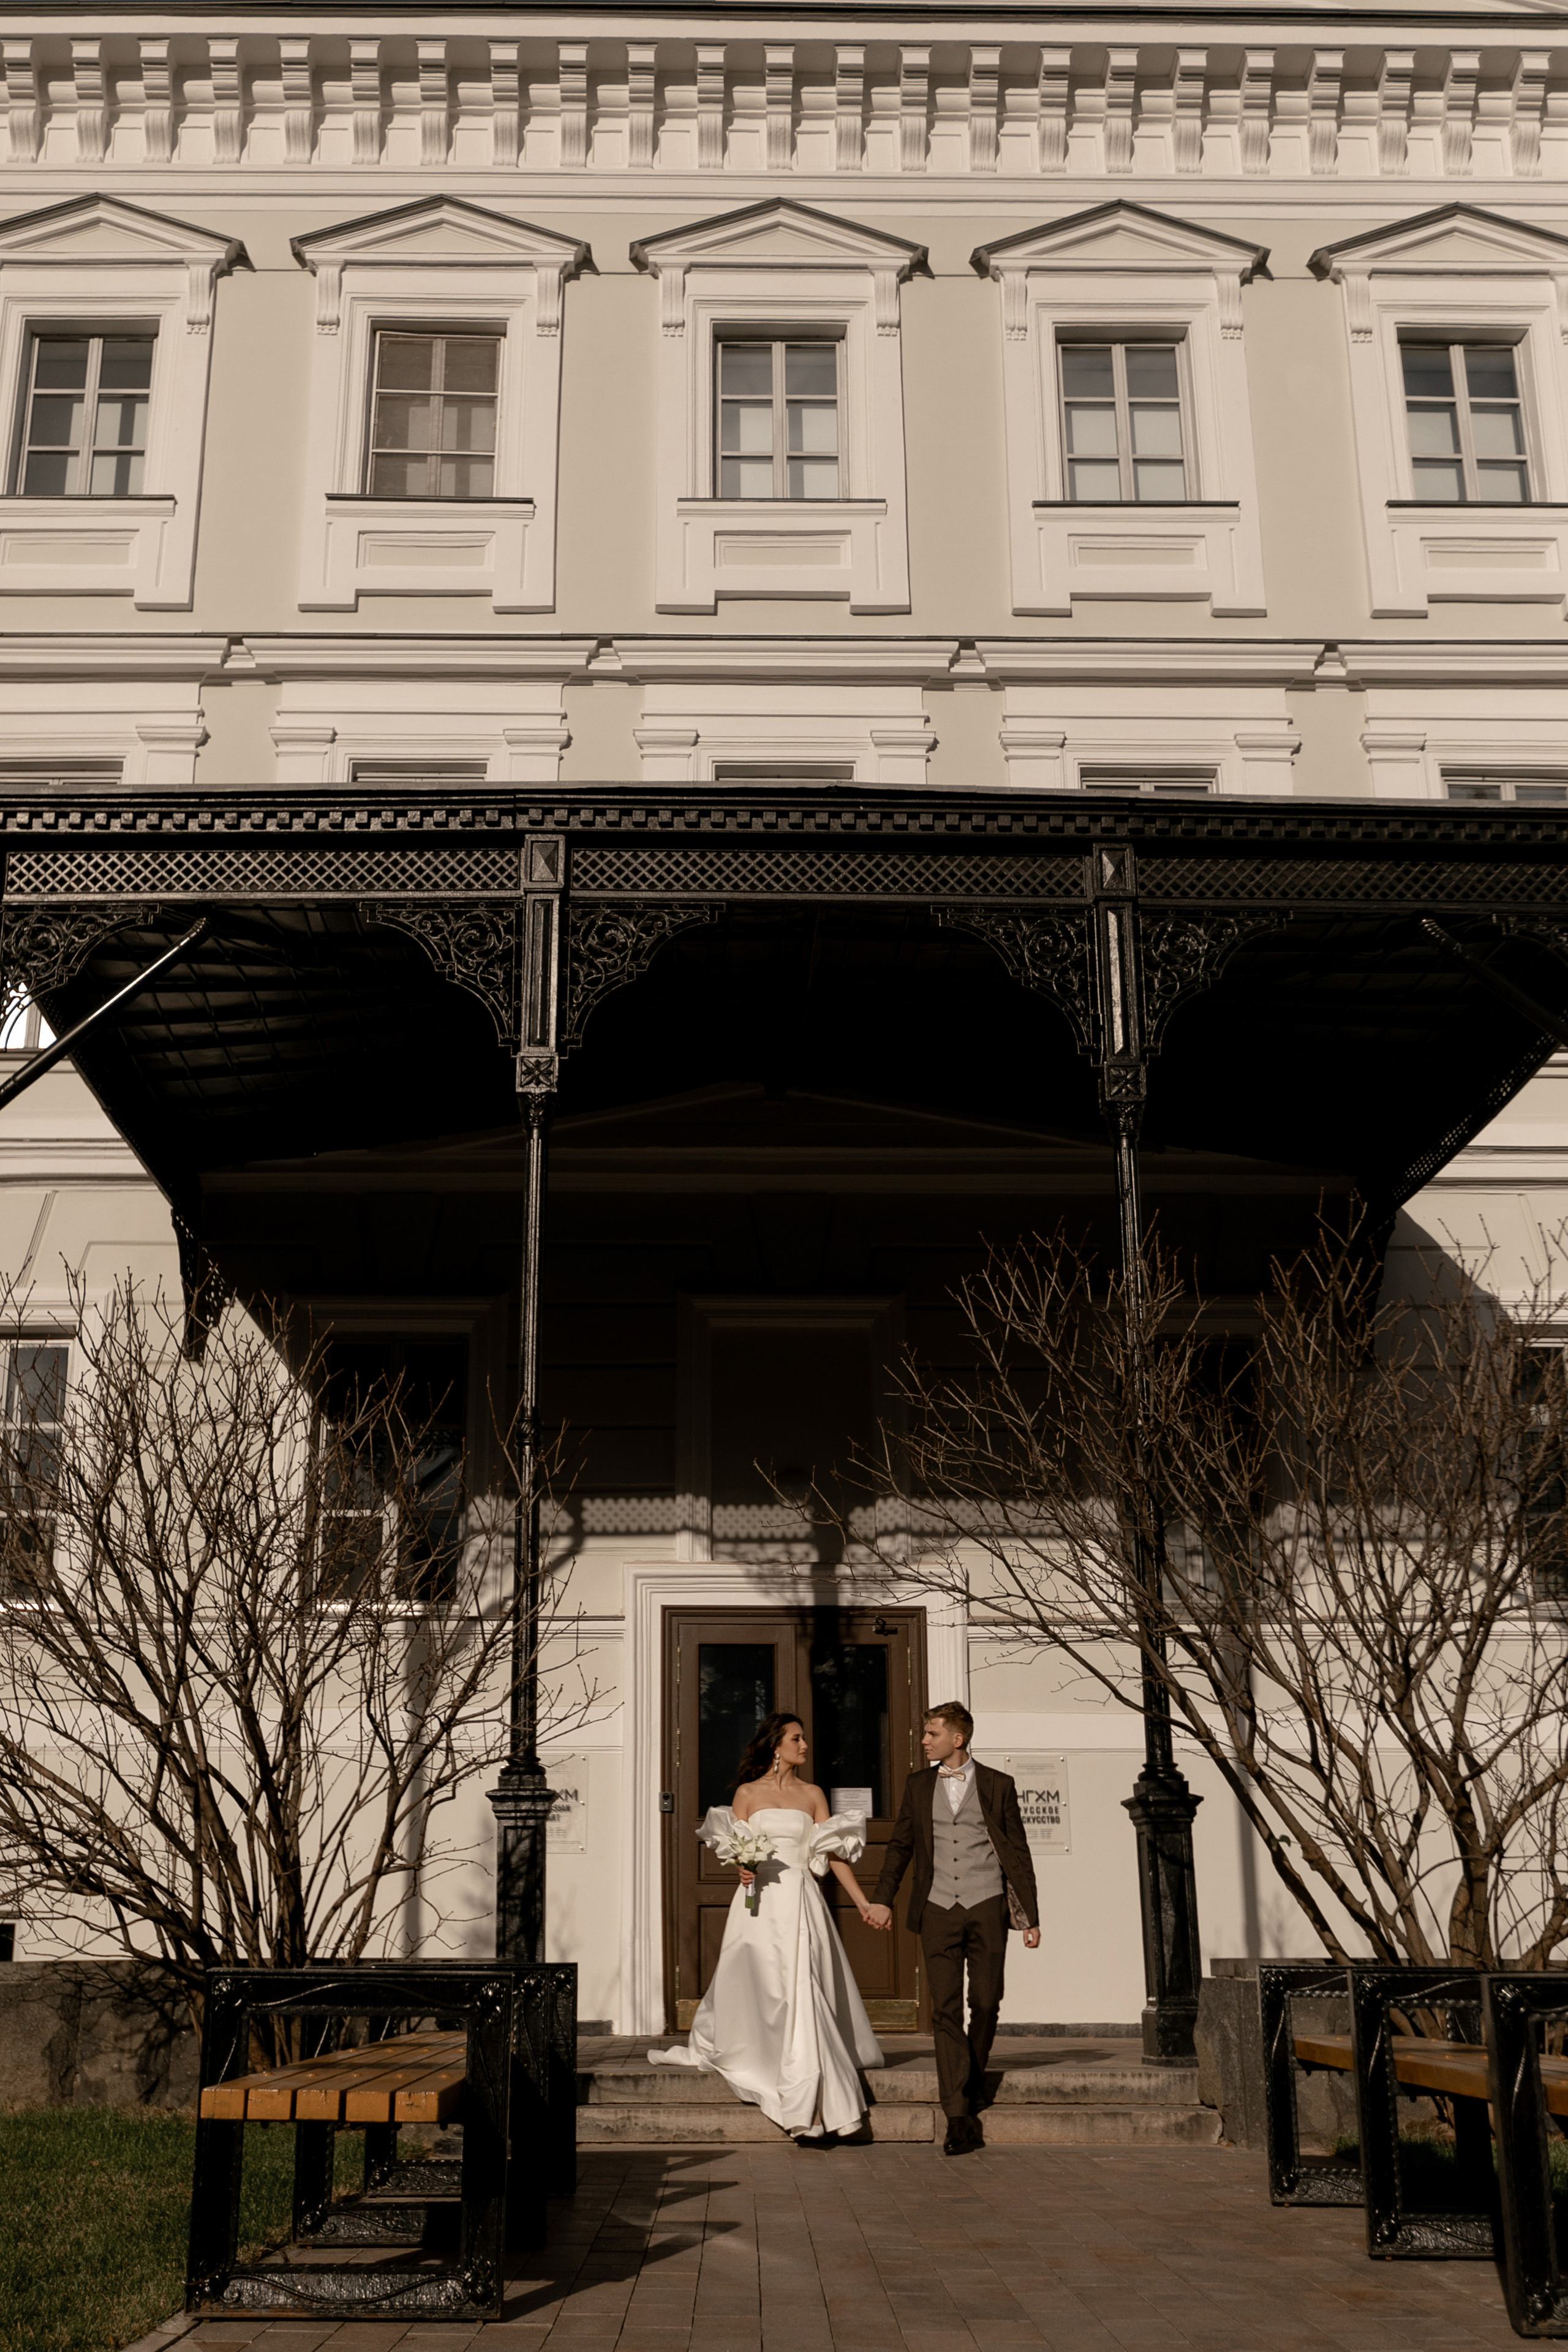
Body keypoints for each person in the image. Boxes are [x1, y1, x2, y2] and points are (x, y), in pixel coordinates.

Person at [649, 1709, 888, 2143]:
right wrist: (741, 1868)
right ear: (776, 1745)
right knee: (766, 1988)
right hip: (758, 1905)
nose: (804, 1746)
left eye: (803, 1739)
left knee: (804, 1989)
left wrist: (863, 1902)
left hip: (800, 1901)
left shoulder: (813, 1794)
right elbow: (735, 1848)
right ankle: (783, 2078)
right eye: (796, 1739)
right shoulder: (746, 1794)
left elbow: (832, 1856)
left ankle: (821, 2109)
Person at [865, 1700, 1040, 2157]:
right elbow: (901, 1847)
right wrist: (882, 1898)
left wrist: (1030, 1918)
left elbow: (1018, 1853)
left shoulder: (1000, 1785)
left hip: (987, 1905)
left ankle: (974, 2077)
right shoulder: (918, 1785)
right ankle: (958, 2115)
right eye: (925, 1733)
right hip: (938, 1908)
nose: (924, 1740)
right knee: (945, 2010)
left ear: (957, 1739)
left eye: (932, 1733)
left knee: (985, 2001)